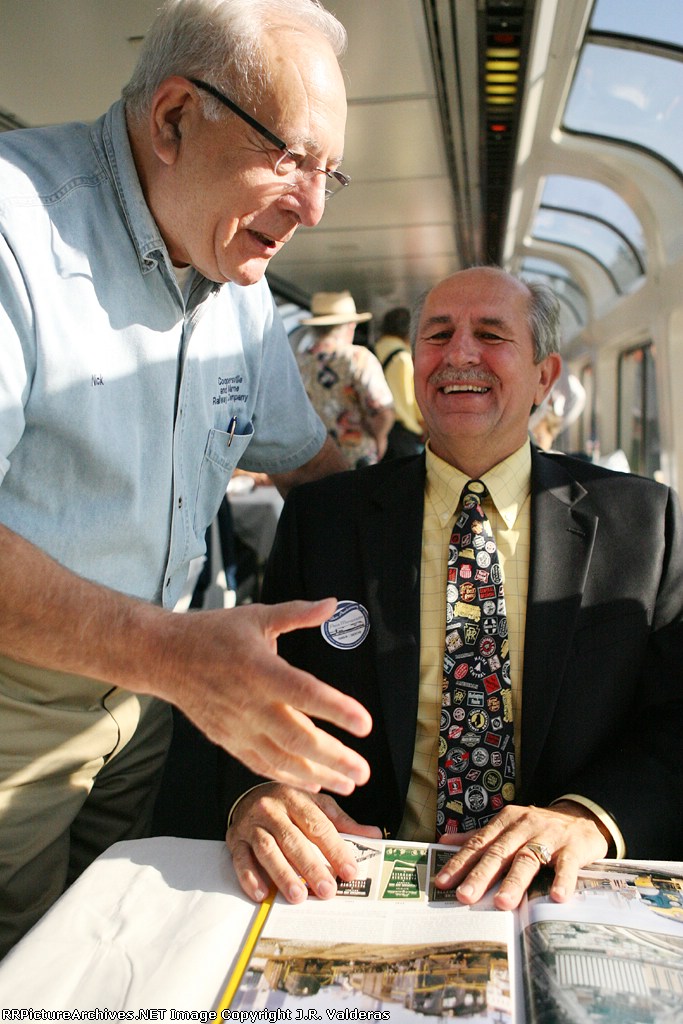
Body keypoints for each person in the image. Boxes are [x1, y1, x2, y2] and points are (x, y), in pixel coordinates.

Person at [0, 0, 375, 958]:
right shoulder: (15, 228)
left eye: (329, 173)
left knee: (115, 952)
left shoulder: (236, 282)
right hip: (15, 704)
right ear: (173, 118)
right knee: (24, 967)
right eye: (290, 159)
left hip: (148, 710)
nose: (313, 208)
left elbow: (309, 468)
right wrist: (173, 656)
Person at [224, 265, 683, 910]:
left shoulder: (642, 523)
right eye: (438, 335)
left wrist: (589, 817)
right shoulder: (323, 519)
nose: (459, 354)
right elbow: (250, 689)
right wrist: (257, 793)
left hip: (553, 891)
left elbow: (674, 721)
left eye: (491, 335)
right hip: (351, 876)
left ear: (544, 377)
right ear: (415, 366)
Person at [297, 291, 395, 468]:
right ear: (350, 326)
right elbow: (382, 411)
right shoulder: (358, 358)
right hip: (355, 460)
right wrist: (380, 438)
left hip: (312, 461)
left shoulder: (298, 362)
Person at [374, 306, 426, 458]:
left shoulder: (369, 352)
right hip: (402, 436)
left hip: (375, 431)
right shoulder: (405, 358)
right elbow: (417, 403)